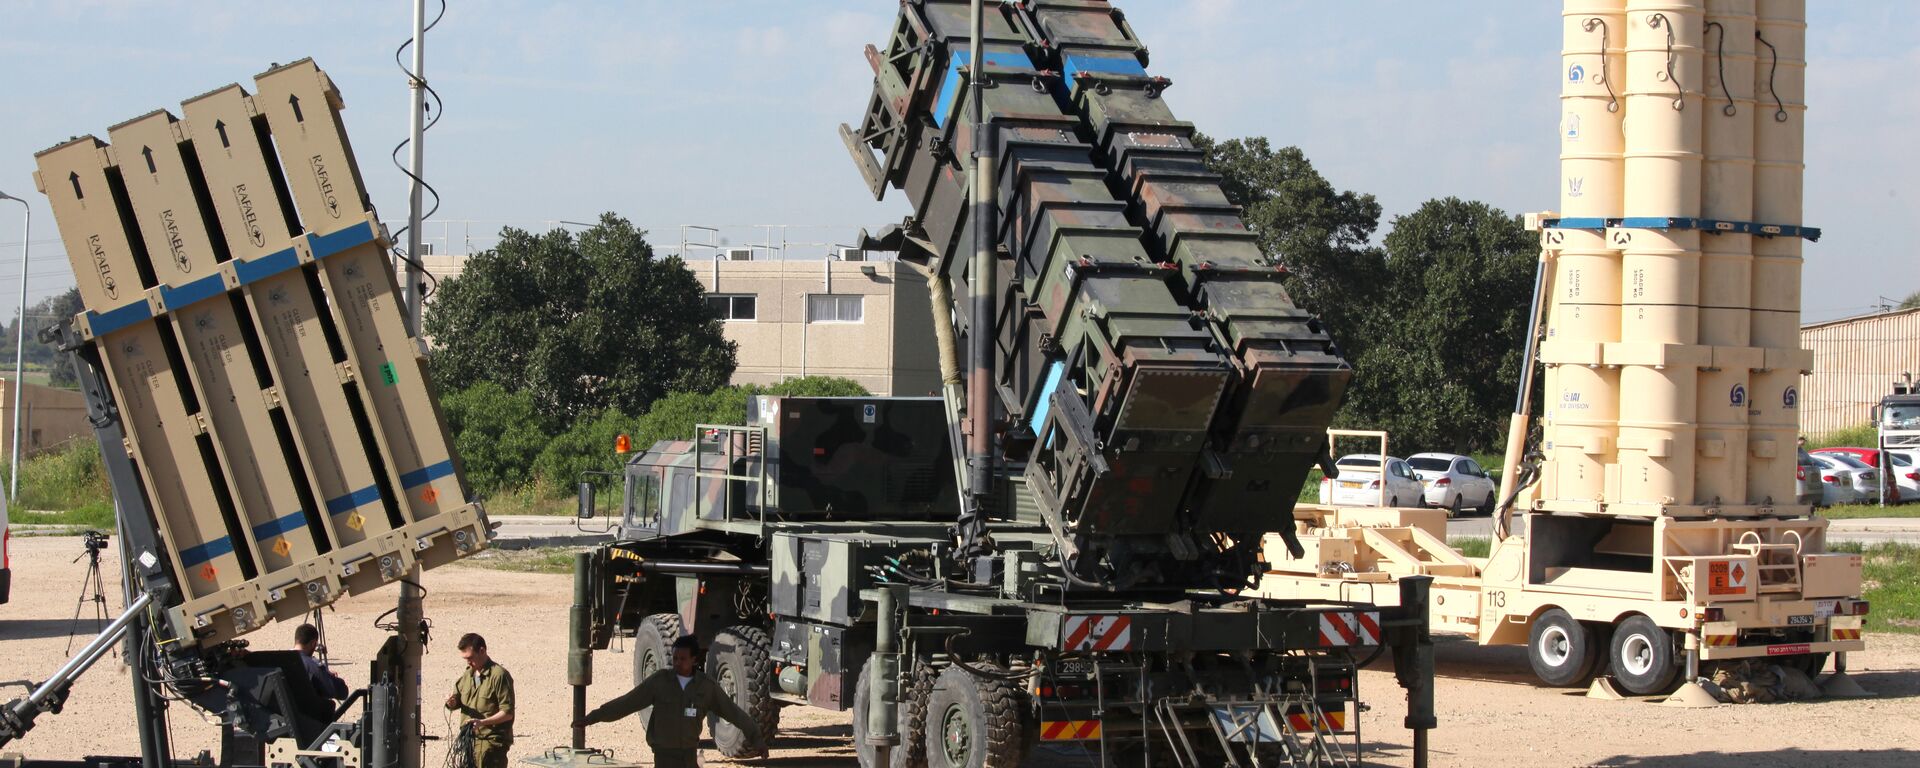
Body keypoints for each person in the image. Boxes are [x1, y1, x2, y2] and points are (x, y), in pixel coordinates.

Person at [576, 635, 767, 768]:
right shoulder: (659, 682)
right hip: (664, 758)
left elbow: (734, 713)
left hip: (689, 758)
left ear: (694, 659)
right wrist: (594, 717)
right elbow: (627, 703)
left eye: (682, 659)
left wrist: (757, 739)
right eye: (675, 658)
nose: (677, 662)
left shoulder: (706, 687)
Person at [445, 633, 515, 768]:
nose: (468, 662)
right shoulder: (468, 674)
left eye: (470, 658)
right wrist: (452, 702)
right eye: (465, 659)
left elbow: (507, 713)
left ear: (482, 651)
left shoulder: (499, 676)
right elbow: (457, 699)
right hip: (470, 741)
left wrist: (482, 722)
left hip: (490, 743)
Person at [294, 623, 349, 701]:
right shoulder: (312, 666)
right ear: (313, 643)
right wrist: (327, 674)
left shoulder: (280, 660)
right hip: (306, 711)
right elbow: (342, 692)